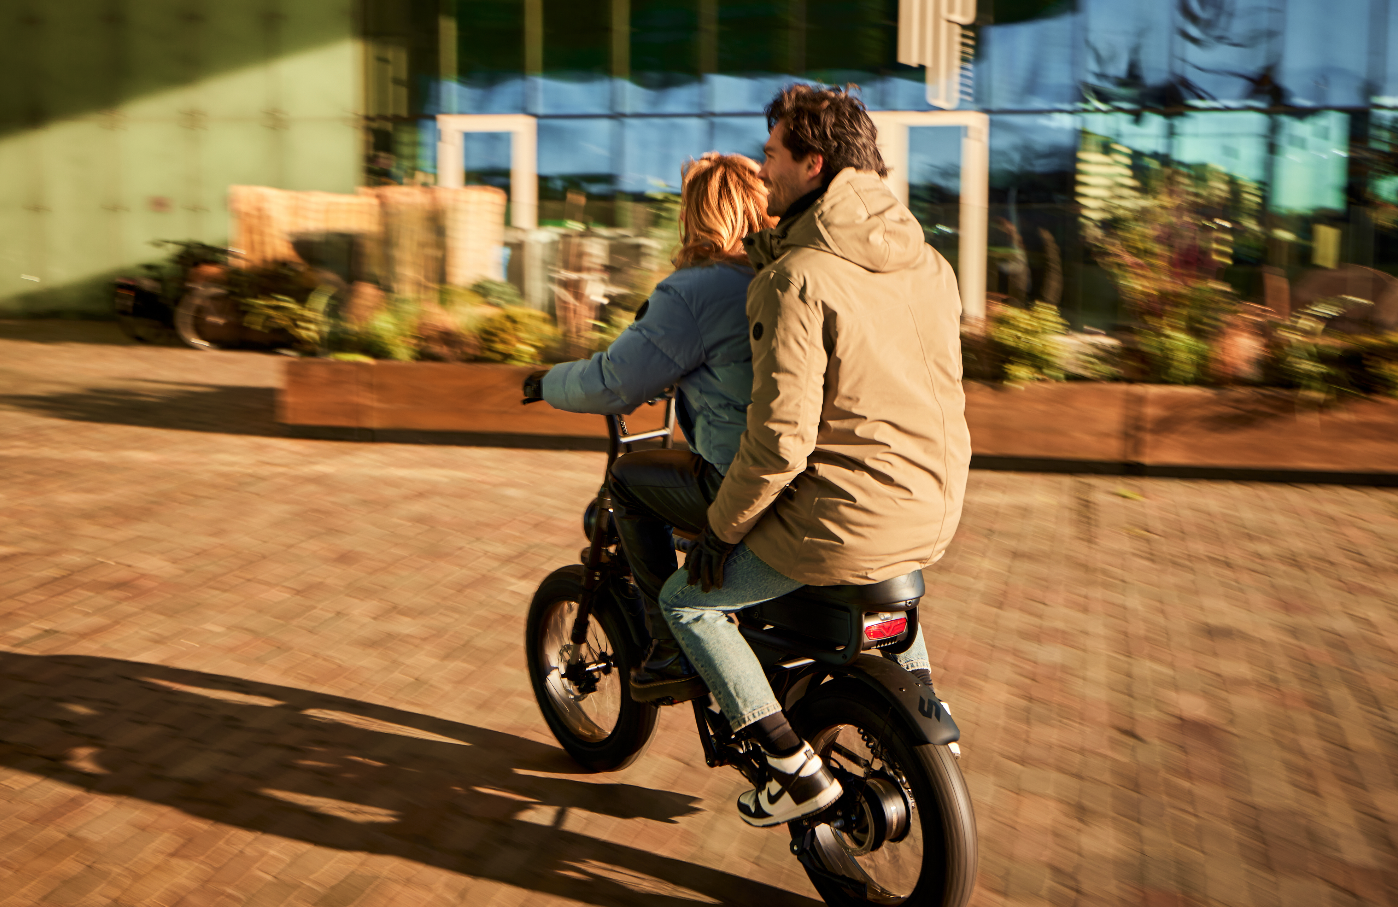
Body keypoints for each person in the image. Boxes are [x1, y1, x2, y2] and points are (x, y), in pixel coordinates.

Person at [656, 85, 972, 828]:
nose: (762, 171)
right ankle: (924, 710)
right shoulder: (925, 262)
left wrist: (721, 532)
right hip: (935, 509)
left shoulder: (793, 281)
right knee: (874, 576)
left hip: (840, 522)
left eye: (771, 155)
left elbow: (778, 446)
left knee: (687, 602)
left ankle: (789, 766)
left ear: (812, 162)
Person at [522, 153, 776, 700]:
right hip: (800, 471)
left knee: (630, 482)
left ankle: (670, 648)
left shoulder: (697, 288)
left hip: (741, 474)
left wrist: (545, 382)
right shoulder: (780, 273)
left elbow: (615, 381)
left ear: (700, 215)